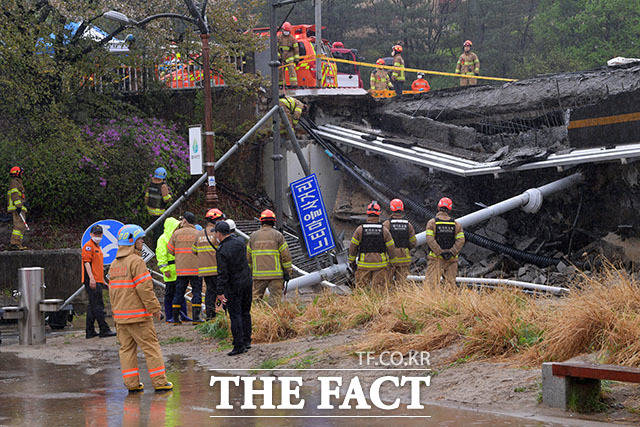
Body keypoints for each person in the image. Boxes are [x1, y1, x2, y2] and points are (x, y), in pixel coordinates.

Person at [109, 224, 173, 393]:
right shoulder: (136, 262)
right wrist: (155, 309)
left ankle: (132, 384)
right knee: (151, 348)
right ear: (132, 241)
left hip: (121, 318)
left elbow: (112, 292)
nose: (142, 242)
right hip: (138, 317)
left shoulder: (114, 264)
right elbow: (145, 289)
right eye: (140, 239)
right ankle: (160, 382)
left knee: (126, 350)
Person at [214, 220, 252, 356]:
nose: (215, 236)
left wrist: (219, 292)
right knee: (245, 312)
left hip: (234, 286)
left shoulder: (222, 250)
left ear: (219, 233)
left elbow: (222, 273)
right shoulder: (240, 242)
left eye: (216, 233)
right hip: (247, 282)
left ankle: (238, 345)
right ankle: (247, 341)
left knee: (235, 315)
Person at [247, 209, 293, 306]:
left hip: (258, 276)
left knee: (255, 300)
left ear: (261, 221)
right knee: (275, 301)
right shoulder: (278, 236)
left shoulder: (253, 236)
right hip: (276, 276)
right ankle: (272, 319)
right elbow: (285, 256)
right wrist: (288, 272)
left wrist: (250, 272)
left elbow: (248, 257)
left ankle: (256, 319)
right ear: (273, 222)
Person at [348, 201, 396, 289]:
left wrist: (352, 261)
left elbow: (352, 247)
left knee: (361, 292)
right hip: (380, 265)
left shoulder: (360, 229)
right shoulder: (384, 230)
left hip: (363, 265)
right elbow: (391, 248)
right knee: (379, 292)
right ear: (379, 214)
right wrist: (392, 261)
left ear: (367, 213)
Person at [82, 225, 116, 338]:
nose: (98, 236)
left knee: (92, 306)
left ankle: (90, 331)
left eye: (99, 234)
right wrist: (91, 278)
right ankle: (104, 329)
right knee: (98, 305)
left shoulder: (97, 247)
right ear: (91, 234)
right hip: (91, 280)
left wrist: (102, 281)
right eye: (96, 234)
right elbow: (87, 263)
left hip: (97, 280)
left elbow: (97, 266)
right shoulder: (88, 247)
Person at [167, 212, 201, 324]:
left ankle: (176, 319)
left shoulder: (176, 233)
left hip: (181, 270)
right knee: (196, 292)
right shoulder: (198, 233)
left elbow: (170, 250)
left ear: (185, 220)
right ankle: (196, 318)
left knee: (179, 293)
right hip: (196, 269)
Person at [192, 208, 226, 320]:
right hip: (217, 268)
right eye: (220, 219)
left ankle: (210, 316)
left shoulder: (199, 233)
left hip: (204, 270)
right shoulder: (217, 233)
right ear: (215, 220)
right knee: (221, 291)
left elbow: (194, 250)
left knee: (210, 292)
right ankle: (223, 314)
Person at [425, 197, 465, 286]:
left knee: (431, 286)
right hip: (451, 259)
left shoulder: (432, 223)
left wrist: (440, 252)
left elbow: (429, 239)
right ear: (450, 209)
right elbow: (461, 240)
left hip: (436, 258)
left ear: (438, 207)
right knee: (450, 285)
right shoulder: (456, 224)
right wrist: (451, 252)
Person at [156, 217, 189, 323]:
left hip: (179, 269)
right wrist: (165, 269)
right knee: (170, 294)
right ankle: (169, 316)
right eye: (176, 227)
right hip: (170, 270)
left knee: (181, 293)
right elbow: (161, 256)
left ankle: (183, 315)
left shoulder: (176, 237)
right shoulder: (163, 239)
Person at [382, 199, 416, 282]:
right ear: (402, 209)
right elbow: (413, 242)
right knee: (402, 284)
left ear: (391, 209)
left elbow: (381, 241)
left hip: (390, 258)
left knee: (386, 283)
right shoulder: (408, 225)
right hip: (404, 258)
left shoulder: (387, 224)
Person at [7, 166, 27, 250]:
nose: (22, 174)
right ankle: (14, 244)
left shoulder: (18, 182)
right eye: (20, 173)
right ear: (17, 173)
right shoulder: (15, 182)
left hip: (19, 207)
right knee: (18, 226)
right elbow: (14, 194)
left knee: (21, 226)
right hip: (16, 207)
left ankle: (18, 244)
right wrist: (18, 206)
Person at [278, 21, 300, 87]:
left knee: (292, 71)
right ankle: (281, 85)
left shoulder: (292, 39)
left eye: (287, 31)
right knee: (280, 72)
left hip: (289, 58)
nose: (286, 32)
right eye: (285, 30)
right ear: (282, 30)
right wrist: (278, 56)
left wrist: (296, 59)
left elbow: (296, 50)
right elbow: (275, 48)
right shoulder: (279, 38)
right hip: (281, 58)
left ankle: (294, 84)